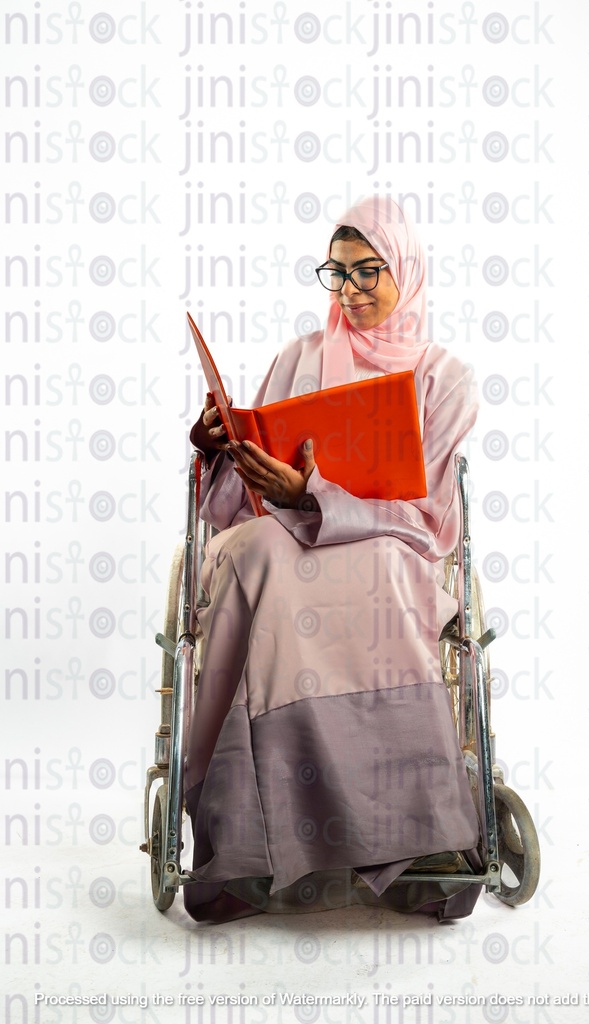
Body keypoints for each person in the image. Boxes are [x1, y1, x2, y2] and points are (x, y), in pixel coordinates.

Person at [184, 196, 480, 923]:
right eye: (337, 273)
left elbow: (425, 517)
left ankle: (414, 840)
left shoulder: (444, 379)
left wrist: (317, 492)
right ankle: (247, 844)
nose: (349, 290)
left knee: (379, 573)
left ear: (404, 270)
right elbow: (234, 506)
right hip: (281, 535)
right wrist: (219, 448)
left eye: (368, 271)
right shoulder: (300, 358)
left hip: (388, 543)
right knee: (252, 554)